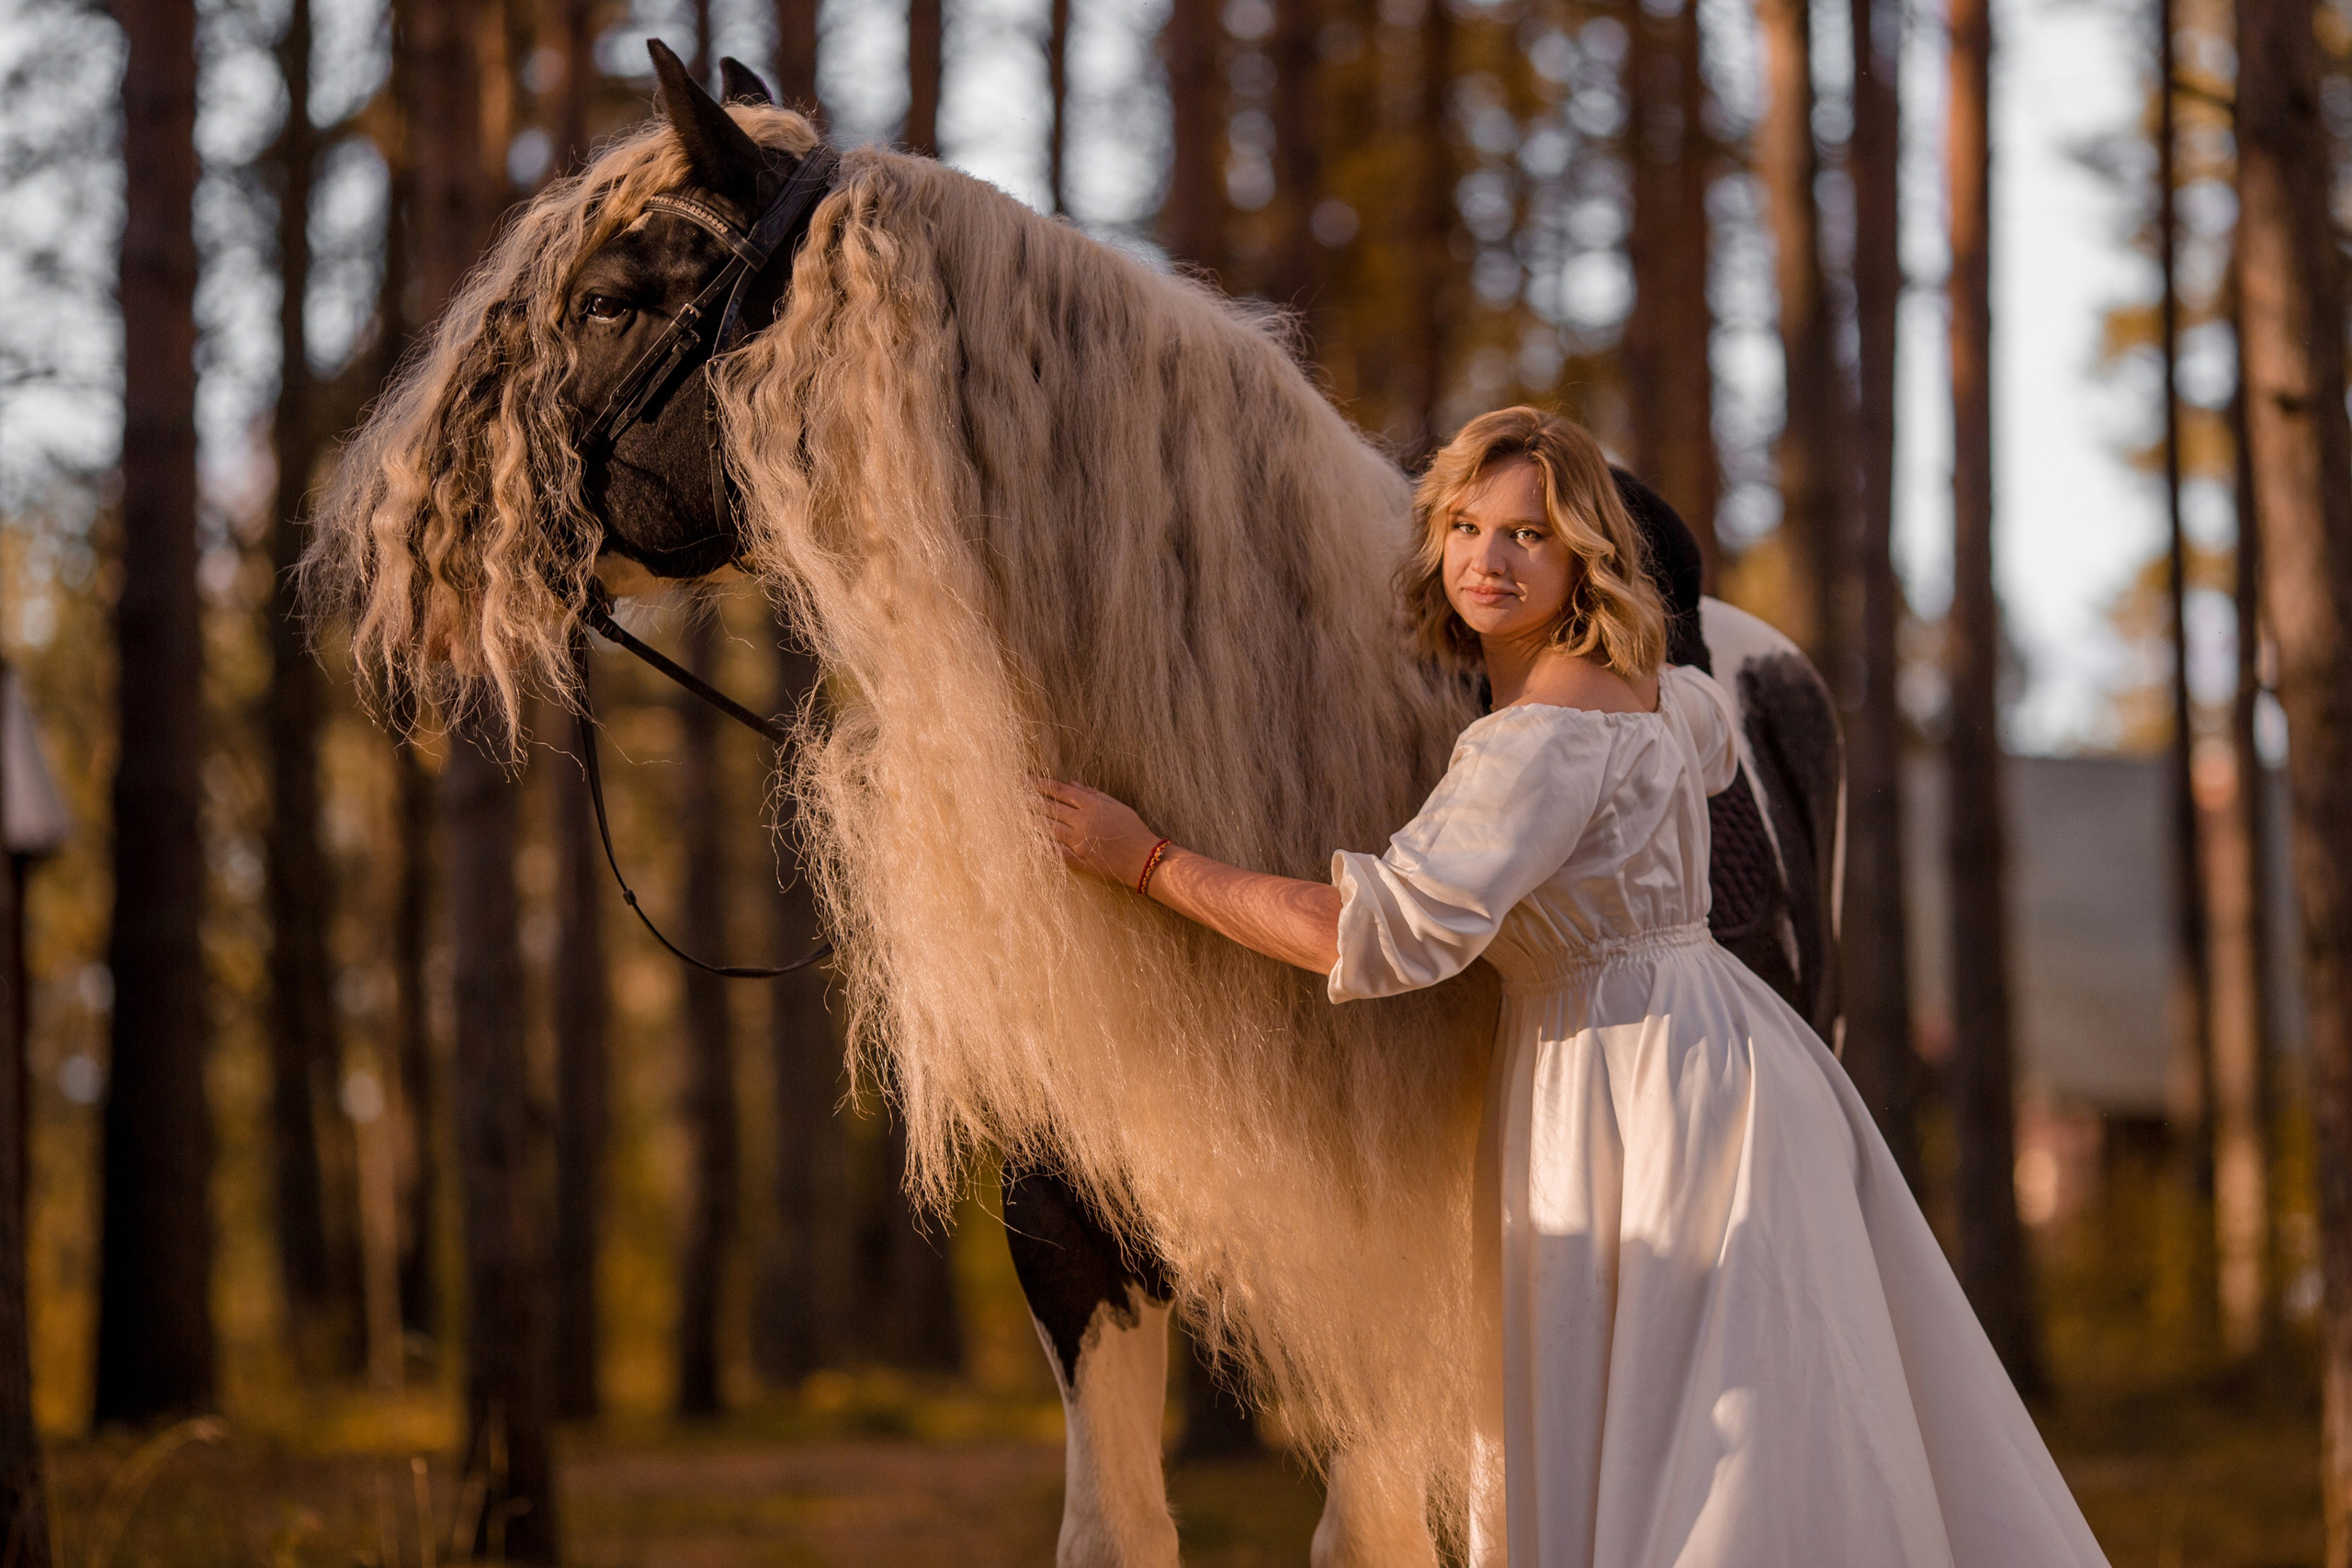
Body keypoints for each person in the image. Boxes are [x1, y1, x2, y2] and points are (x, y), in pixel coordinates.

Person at [1036, 407, 2108, 1567]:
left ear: (1580, 556)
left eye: (1527, 536)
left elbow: (1377, 929)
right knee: (1757, 1428)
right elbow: (1709, 745)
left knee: (1701, 1451)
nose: (1487, 561)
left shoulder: (1531, 742)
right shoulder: (1654, 688)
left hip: (1629, 1092)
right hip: (1725, 1053)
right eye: (1464, 525)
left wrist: (1143, 861)